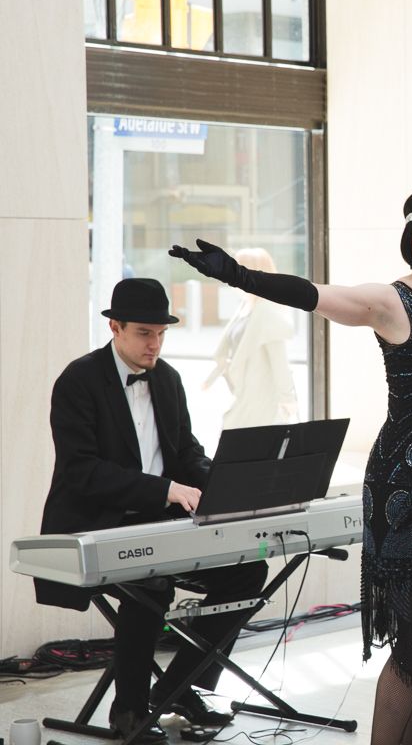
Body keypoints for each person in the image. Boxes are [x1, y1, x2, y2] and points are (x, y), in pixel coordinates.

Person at [170, 164, 412, 743]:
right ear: (409, 241)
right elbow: (316, 295)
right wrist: (239, 276)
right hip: (405, 491)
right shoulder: (392, 300)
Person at [36, 278, 269, 744]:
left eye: (162, 333)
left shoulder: (167, 379)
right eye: (144, 333)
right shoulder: (78, 381)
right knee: (150, 584)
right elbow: (83, 473)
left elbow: (187, 454)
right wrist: (163, 490)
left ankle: (182, 687)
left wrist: (230, 485)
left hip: (155, 519)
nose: (155, 344)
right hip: (96, 522)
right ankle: (128, 711)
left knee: (248, 571)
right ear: (115, 327)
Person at [202, 247, 299, 429]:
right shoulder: (247, 307)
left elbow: (279, 361)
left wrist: (287, 399)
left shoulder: (268, 310)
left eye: (238, 270)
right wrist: (212, 378)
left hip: (261, 393)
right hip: (244, 391)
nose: (232, 276)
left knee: (242, 441)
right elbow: (231, 347)